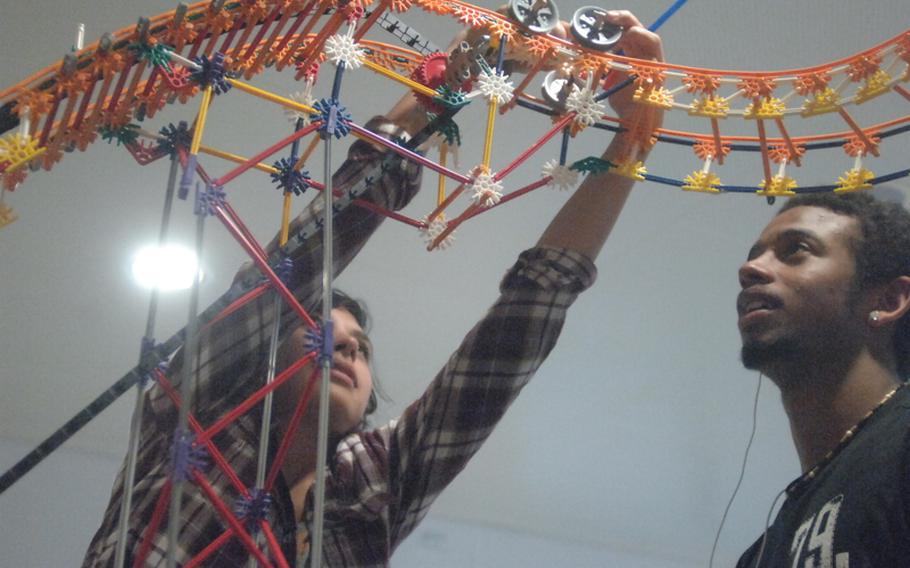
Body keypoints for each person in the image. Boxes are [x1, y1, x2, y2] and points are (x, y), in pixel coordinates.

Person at [83, 11, 663, 566]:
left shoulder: (373, 481)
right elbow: (307, 254)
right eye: (319, 335)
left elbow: (515, 332)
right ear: (264, 354)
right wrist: (472, 60)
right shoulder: (198, 406)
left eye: (359, 347)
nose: (349, 351)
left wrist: (634, 139)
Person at [735, 192, 910, 567]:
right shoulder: (760, 555)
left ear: (889, 300)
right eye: (755, 255)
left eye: (796, 249)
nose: (748, 269)